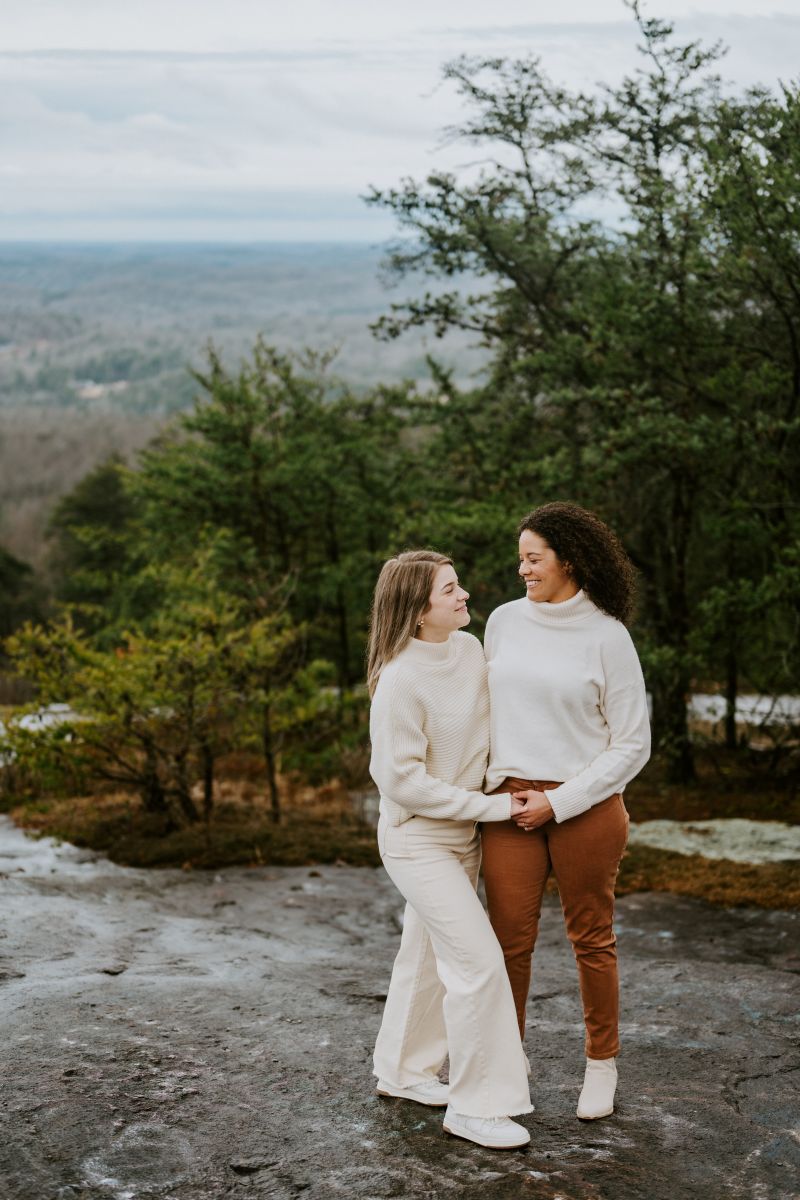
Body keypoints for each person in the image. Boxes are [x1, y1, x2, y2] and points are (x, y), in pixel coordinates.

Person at [481, 503, 651, 1122]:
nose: (522, 568)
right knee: (506, 943)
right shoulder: (501, 622)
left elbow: (633, 743)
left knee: (592, 939)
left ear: (568, 560)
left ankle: (600, 1065)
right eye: (520, 557)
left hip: (584, 805)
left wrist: (561, 799)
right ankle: (506, 1061)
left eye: (534, 558)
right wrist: (495, 796)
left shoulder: (608, 635)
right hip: (509, 803)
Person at [368, 550, 533, 1150]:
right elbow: (401, 782)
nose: (464, 596)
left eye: (458, 585)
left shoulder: (467, 650)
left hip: (461, 835)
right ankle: (476, 1106)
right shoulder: (399, 680)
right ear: (417, 610)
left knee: (425, 957)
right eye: (449, 590)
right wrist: (494, 809)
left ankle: (403, 1072)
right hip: (416, 840)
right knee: (477, 965)